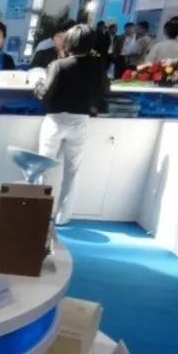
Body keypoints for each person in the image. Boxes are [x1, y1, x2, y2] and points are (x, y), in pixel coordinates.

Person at [34, 24, 106, 226]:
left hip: (55, 121)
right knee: (72, 171)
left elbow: (44, 93)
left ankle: (37, 212)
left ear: (69, 42)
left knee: (42, 167)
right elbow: (103, 92)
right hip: (80, 121)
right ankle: (63, 216)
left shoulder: (59, 65)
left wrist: (37, 85)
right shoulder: (98, 66)